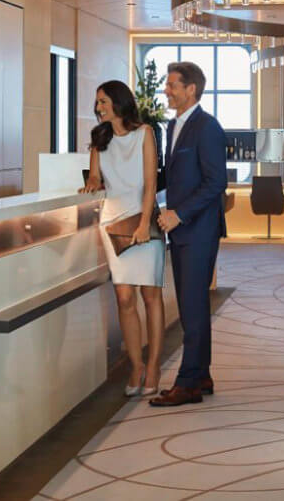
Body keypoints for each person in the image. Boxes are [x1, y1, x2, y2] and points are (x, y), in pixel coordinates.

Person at [149, 62, 227, 407]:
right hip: (182, 231)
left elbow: (216, 182)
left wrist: (179, 214)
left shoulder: (207, 127)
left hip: (198, 230)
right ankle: (202, 375)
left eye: (171, 85)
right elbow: (175, 176)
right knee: (191, 306)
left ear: (190, 89)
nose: (166, 90)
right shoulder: (173, 125)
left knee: (192, 307)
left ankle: (188, 383)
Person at [80, 81, 165, 397]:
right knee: (124, 298)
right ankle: (136, 365)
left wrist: (143, 223)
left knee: (150, 296)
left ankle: (153, 365)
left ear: (118, 102)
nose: (98, 107)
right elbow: (94, 177)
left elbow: (150, 183)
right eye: (97, 102)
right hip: (112, 223)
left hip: (144, 220)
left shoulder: (144, 133)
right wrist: (91, 183)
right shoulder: (99, 138)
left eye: (103, 101)